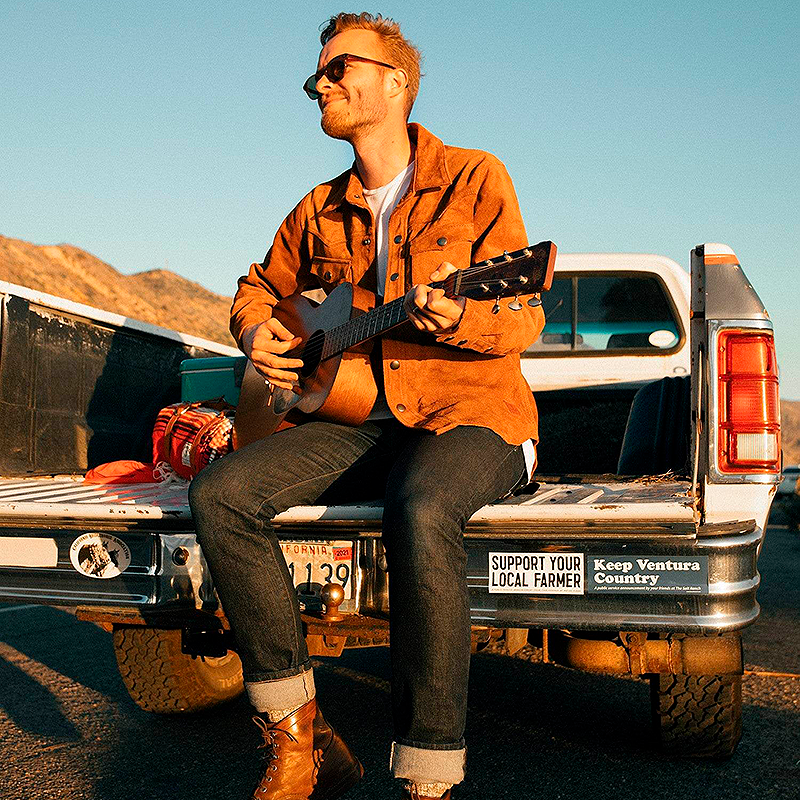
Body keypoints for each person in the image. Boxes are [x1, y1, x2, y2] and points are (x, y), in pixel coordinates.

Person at [189, 12, 545, 800]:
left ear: (396, 81)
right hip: (356, 419)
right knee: (221, 494)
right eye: (316, 72)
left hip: (472, 413)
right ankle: (301, 740)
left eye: (339, 66)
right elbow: (258, 287)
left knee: (417, 510)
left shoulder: (476, 177)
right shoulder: (317, 208)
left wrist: (462, 315)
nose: (322, 81)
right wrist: (257, 333)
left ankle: (428, 775)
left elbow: (524, 314)